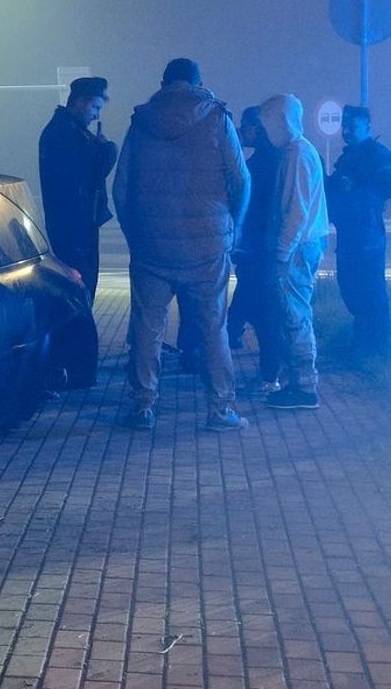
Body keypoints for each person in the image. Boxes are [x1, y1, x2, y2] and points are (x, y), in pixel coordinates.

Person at [113, 58, 250, 431]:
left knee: (147, 328)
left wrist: (135, 235)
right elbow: (240, 180)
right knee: (213, 327)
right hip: (207, 247)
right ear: (198, 82)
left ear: (163, 82)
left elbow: (121, 188)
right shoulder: (217, 119)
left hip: (151, 250)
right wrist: (231, 227)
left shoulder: (140, 123)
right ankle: (220, 409)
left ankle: (143, 406)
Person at [259, 94, 329, 410]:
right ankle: (297, 383)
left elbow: (296, 211)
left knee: (295, 317)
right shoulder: (297, 151)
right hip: (302, 246)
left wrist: (282, 252)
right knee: (294, 315)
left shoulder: (298, 153)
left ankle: (304, 387)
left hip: (298, 249)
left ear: (282, 121)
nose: (266, 130)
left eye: (269, 123)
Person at [38, 76, 118, 303]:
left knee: (78, 289)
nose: (96, 115)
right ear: (80, 102)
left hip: (74, 224)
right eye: (95, 107)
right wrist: (108, 149)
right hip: (75, 226)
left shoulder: (65, 130)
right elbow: (90, 172)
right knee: (79, 291)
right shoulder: (67, 133)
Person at [325, 105, 391, 356]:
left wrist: (359, 186)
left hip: (367, 235)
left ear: (368, 127)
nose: (346, 130)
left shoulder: (378, 155)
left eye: (352, 126)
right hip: (349, 234)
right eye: (345, 125)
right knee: (350, 286)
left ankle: (376, 345)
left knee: (371, 290)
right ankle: (362, 340)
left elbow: (386, 185)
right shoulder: (347, 157)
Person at [229, 106, 283, 391]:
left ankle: (270, 375)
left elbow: (249, 205)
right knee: (249, 307)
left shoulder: (263, 163)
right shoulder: (268, 160)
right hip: (257, 249)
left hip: (258, 249)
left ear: (258, 129)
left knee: (263, 314)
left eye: (245, 126)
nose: (241, 130)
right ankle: (269, 372)